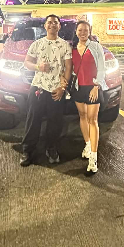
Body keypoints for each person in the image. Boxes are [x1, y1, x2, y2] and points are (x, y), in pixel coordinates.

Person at [20, 15, 73, 167]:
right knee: (33, 120)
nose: (52, 25)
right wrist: (38, 67)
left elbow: (68, 67)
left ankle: (51, 148)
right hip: (39, 87)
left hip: (57, 89)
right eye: (49, 22)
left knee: (55, 121)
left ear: (59, 26)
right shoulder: (37, 44)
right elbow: (27, 62)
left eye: (55, 22)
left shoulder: (65, 45)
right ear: (45, 26)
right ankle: (28, 150)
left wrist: (63, 88)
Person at [71, 20, 108, 173]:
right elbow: (70, 68)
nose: (83, 33)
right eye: (80, 30)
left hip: (93, 87)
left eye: (85, 30)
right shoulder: (72, 48)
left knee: (92, 120)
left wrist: (96, 86)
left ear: (90, 31)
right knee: (82, 116)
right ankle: (87, 144)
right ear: (76, 31)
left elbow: (102, 68)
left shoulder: (96, 46)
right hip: (78, 88)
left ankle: (93, 158)